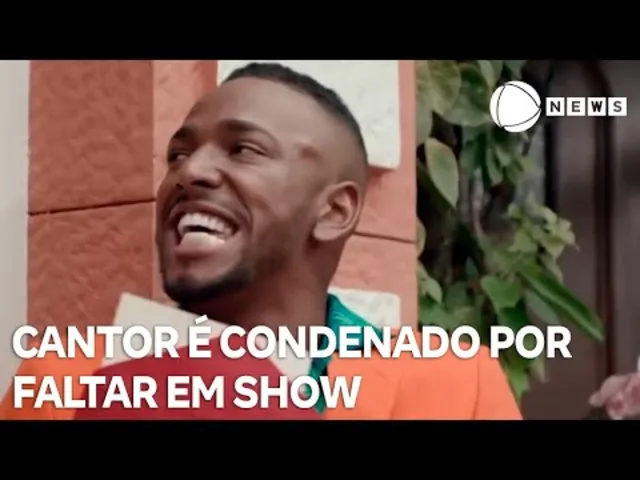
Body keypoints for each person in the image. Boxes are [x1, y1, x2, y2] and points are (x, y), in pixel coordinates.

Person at [0, 62, 521, 420]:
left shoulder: (457, 383)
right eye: (178, 155)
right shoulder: (64, 381)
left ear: (334, 211)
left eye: (244, 150)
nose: (189, 172)